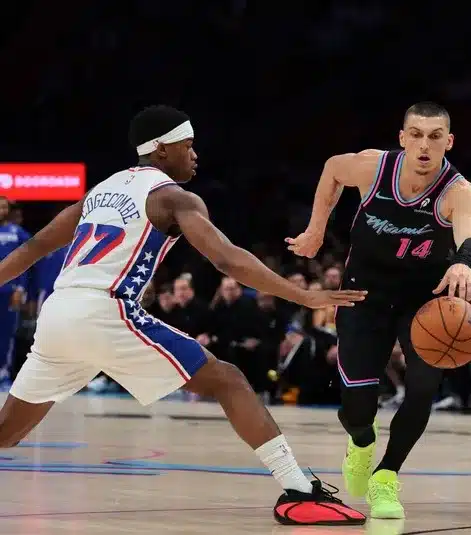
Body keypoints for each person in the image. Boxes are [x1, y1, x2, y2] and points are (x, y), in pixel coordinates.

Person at [0, 105, 369, 526]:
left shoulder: (99, 191)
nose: (195, 155)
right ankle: (298, 488)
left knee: (7, 431)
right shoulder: (172, 197)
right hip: (104, 308)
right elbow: (229, 260)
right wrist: (303, 296)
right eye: (187, 145)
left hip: (58, 313)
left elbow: (32, 250)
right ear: (160, 150)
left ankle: (299, 486)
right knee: (228, 379)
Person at [286, 101, 471, 519]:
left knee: (423, 388)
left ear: (448, 142)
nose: (424, 145)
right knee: (357, 407)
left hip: (423, 301)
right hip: (363, 295)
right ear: (402, 138)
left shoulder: (458, 191)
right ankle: (361, 442)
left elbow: (470, 226)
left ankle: (387, 475)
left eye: (435, 137)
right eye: (416, 134)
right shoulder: (373, 169)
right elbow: (332, 169)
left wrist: (465, 260)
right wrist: (316, 228)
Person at [0, 197, 30, 384]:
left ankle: (3, 372)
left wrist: (21, 288)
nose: (1, 210)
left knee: (6, 333)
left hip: (9, 292)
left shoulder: (17, 233)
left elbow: (29, 259)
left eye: (4, 206)